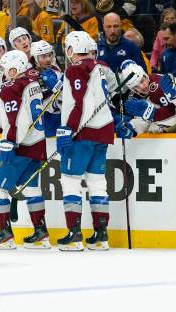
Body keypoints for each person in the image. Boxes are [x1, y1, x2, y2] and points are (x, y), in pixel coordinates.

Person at [56, 31, 114, 251]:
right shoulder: (100, 67)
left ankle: (74, 235)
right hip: (102, 132)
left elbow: (80, 104)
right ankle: (101, 236)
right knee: (97, 183)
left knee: (70, 180)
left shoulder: (76, 68)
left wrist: (67, 130)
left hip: (83, 134)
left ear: (70, 50)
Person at [0, 50, 48, 250]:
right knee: (31, 188)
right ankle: (40, 233)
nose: (4, 72)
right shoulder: (32, 84)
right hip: (37, 144)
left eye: (5, 68)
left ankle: (5, 235)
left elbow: (16, 118)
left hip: (19, 147)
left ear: (14, 68)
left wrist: (10, 141)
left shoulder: (11, 87)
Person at [121, 60, 176, 134]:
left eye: (142, 81)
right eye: (136, 87)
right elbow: (139, 118)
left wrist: (152, 114)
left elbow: (175, 115)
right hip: (170, 125)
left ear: (145, 75)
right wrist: (131, 126)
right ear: (133, 89)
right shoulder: (133, 96)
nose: (142, 87)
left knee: (152, 126)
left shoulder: (158, 85)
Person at [30, 40, 62, 137]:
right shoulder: (30, 76)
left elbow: (64, 97)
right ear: (35, 59)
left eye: (49, 55)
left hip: (58, 119)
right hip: (41, 122)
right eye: (43, 56)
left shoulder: (56, 72)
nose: (48, 59)